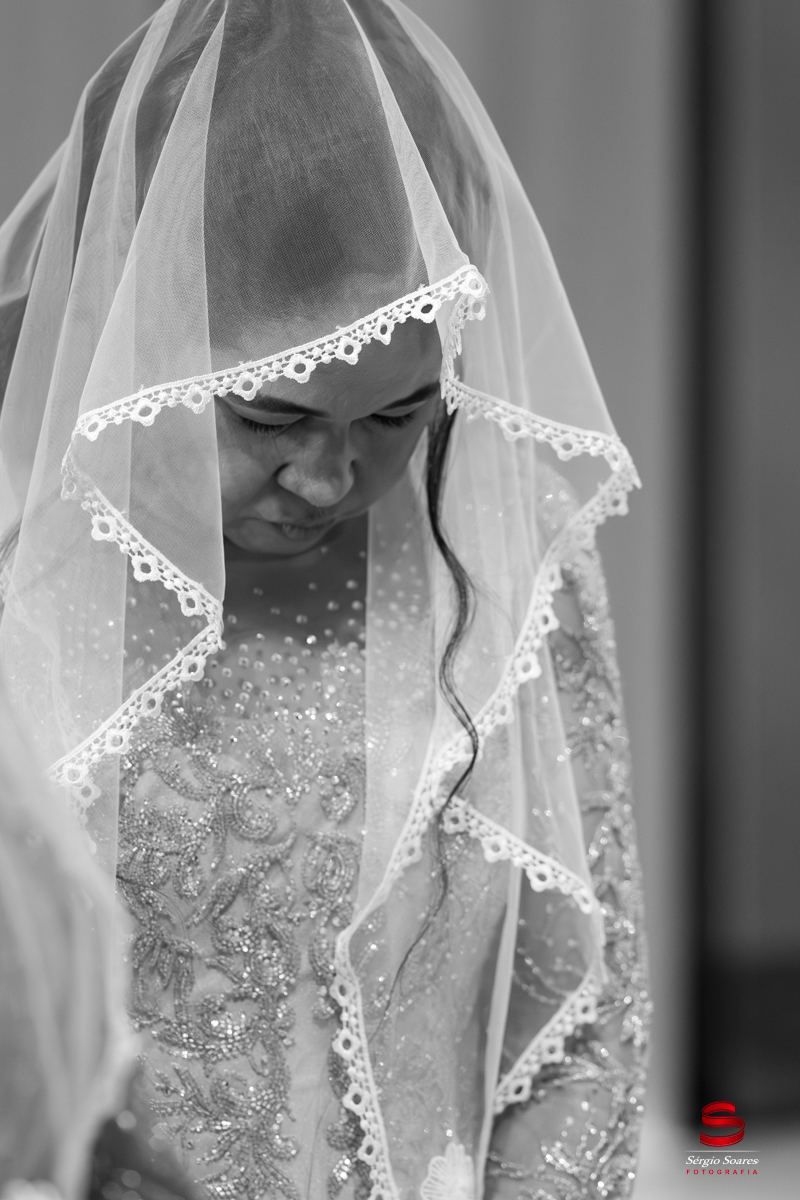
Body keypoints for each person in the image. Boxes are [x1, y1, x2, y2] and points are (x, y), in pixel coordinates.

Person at [0, 2, 649, 1198]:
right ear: (133, 336)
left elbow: (585, 1027)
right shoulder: (20, 555)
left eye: (396, 414)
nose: (328, 479)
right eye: (270, 417)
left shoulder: (499, 555)